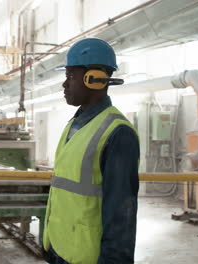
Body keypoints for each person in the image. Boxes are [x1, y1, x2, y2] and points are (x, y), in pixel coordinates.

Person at [42, 38, 140, 264]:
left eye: (70, 77)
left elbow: (121, 214)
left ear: (94, 80)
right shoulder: (74, 125)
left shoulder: (118, 133)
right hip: (61, 249)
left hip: (87, 257)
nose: (64, 85)